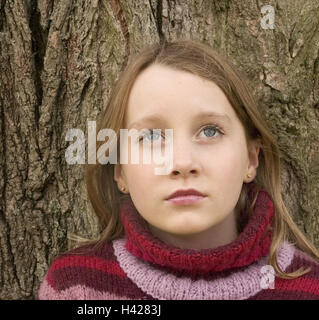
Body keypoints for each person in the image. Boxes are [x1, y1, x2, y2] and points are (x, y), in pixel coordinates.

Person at [37, 39, 319, 300]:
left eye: (210, 131)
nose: (182, 163)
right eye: (149, 137)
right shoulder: (76, 288)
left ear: (251, 159)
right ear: (120, 170)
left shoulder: (310, 288)